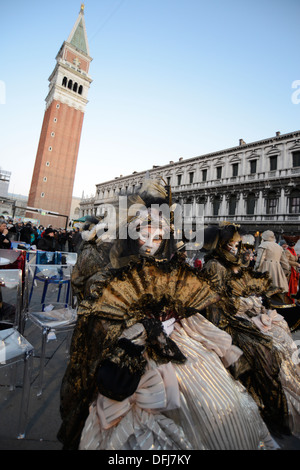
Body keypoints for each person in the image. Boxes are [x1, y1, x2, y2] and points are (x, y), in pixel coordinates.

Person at [57, 180, 278, 451]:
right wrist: (140, 329)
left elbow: (193, 309)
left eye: (158, 237)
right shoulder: (109, 275)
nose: (150, 244)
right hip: (138, 353)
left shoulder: (173, 272)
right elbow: (99, 320)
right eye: (143, 234)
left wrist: (201, 330)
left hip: (181, 342)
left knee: (222, 399)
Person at [202, 222, 300, 438]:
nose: (236, 248)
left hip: (240, 313)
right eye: (232, 244)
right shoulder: (214, 266)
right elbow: (217, 304)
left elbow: (239, 289)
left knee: (280, 330)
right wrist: (246, 306)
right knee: (264, 348)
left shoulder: (230, 263)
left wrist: (253, 303)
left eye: (237, 244)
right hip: (225, 321)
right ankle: (272, 408)